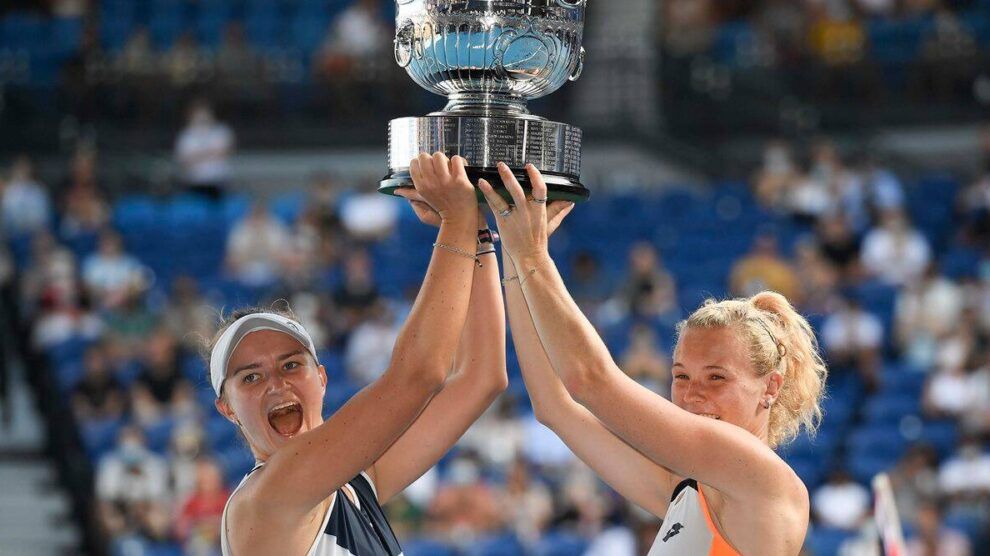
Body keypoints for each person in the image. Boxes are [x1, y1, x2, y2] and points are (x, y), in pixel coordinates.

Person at [478, 163, 827, 554]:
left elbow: (588, 381)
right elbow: (555, 406)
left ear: (770, 386)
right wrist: (512, 248)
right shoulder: (684, 494)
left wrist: (533, 257)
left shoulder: (763, 479)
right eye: (681, 376)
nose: (692, 395)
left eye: (716, 378)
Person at [215, 153, 507, 555]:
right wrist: (456, 221)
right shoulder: (267, 497)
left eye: (291, 364)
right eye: (250, 376)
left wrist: (476, 229)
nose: (276, 383)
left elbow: (481, 378)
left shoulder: (355, 484)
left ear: (321, 377)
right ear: (226, 408)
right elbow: (418, 375)